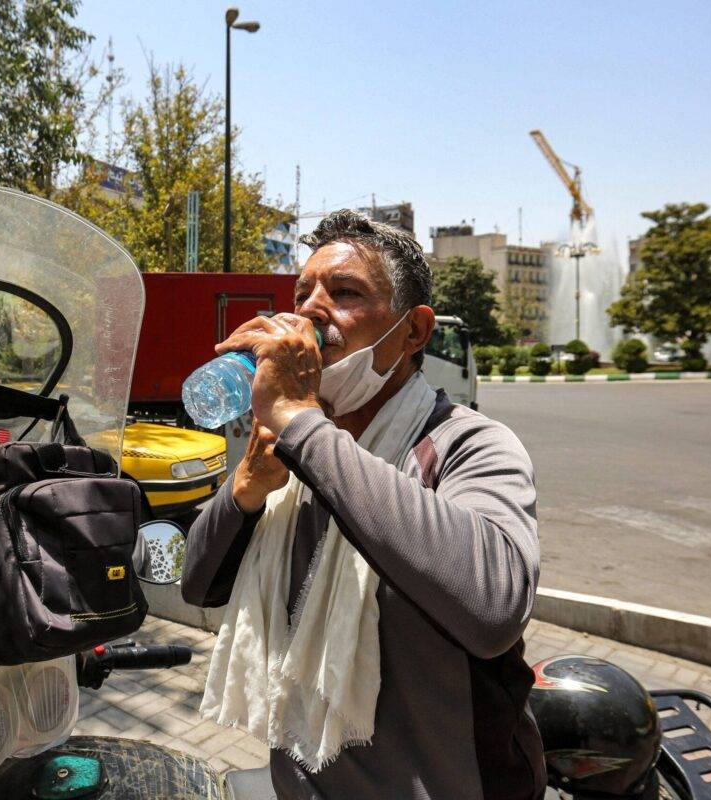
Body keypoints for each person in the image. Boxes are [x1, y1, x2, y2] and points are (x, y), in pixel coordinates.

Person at [182, 210, 544, 800]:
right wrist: (247, 485)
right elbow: (199, 585)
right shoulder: (292, 447)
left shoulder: (466, 443)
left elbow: (495, 605)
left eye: (345, 292)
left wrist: (303, 424)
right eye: (302, 294)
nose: (310, 312)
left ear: (415, 332)